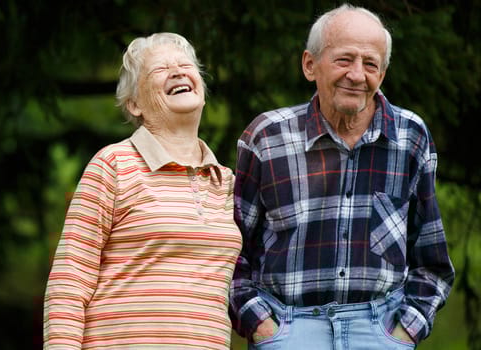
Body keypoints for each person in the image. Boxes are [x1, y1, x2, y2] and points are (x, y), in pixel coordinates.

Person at [229, 4, 455, 349]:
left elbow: (433, 260)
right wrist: (262, 327)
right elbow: (232, 251)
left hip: (381, 330)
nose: (357, 74)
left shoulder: (411, 136)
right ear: (310, 65)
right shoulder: (267, 137)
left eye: (370, 64)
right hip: (288, 329)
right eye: (344, 60)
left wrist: (403, 335)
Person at [43, 32, 242, 349]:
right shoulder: (113, 165)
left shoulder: (227, 182)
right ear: (134, 104)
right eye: (160, 69)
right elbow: (70, 281)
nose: (177, 71)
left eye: (184, 65)